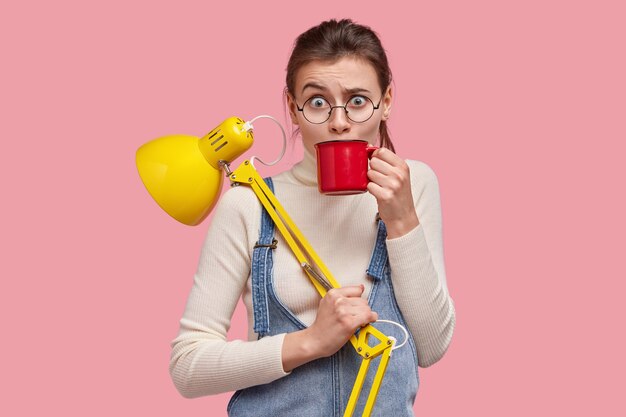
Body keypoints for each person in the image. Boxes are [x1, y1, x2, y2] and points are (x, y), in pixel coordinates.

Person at [169, 18, 455, 416]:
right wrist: (310, 343)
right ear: (293, 107)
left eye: (357, 101)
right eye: (318, 102)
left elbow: (431, 347)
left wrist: (402, 220)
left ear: (386, 101)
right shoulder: (248, 204)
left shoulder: (415, 184)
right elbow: (187, 366)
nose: (339, 122)